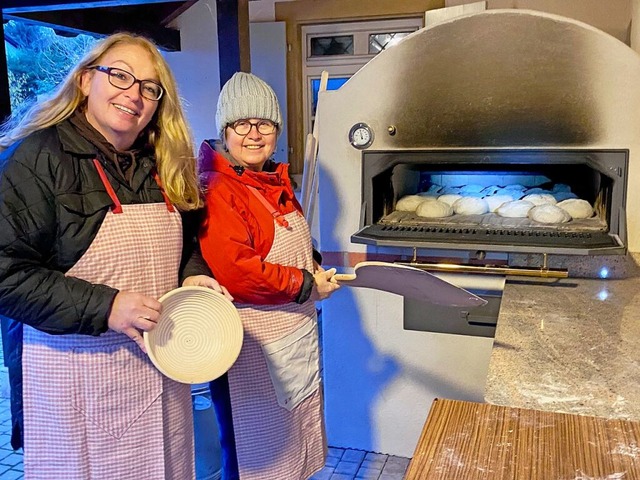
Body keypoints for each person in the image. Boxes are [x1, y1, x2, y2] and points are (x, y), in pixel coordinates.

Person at [0, 32, 225, 480]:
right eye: (119, 76)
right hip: (79, 385)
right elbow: (6, 275)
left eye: (148, 87)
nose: (133, 95)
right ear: (85, 81)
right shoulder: (36, 159)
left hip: (159, 379)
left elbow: (184, 247)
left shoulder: (160, 161)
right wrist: (107, 306)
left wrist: (194, 276)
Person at [198, 72, 340, 480]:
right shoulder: (220, 188)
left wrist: (311, 260)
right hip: (252, 348)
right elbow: (238, 271)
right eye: (242, 124)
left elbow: (293, 237)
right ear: (225, 131)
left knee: (293, 443)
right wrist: (306, 284)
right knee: (256, 458)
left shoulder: (273, 179)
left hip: (291, 337)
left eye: (265, 124)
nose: (254, 134)